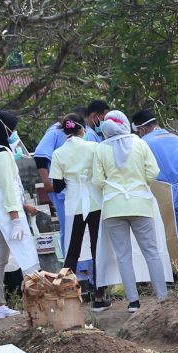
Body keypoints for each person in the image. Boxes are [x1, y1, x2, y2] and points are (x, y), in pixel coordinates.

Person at [93, 110, 171, 311]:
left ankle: (133, 302)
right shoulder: (140, 143)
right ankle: (162, 296)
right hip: (140, 204)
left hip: (113, 207)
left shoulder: (101, 149)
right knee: (151, 251)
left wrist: (114, 187)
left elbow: (97, 181)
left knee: (123, 255)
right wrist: (138, 185)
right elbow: (153, 171)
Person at [0, 111, 41, 319]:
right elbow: (7, 188)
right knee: (26, 254)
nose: (14, 133)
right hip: (6, 211)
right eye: (12, 129)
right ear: (2, 130)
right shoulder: (2, 155)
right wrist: (16, 218)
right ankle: (36, 300)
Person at [48, 113, 107, 308]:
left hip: (74, 204)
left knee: (72, 250)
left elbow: (56, 186)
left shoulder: (58, 153)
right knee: (97, 248)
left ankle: (68, 297)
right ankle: (99, 296)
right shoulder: (95, 147)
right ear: (82, 129)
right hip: (96, 201)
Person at [132, 109, 178, 256]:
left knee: (169, 230)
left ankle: (177, 262)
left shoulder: (143, 143)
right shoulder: (175, 138)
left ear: (142, 129)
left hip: (161, 193)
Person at [33, 107, 85, 249]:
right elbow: (40, 156)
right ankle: (69, 262)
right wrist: (47, 182)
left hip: (77, 187)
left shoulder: (81, 138)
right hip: (59, 187)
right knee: (67, 226)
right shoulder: (55, 132)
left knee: (79, 227)